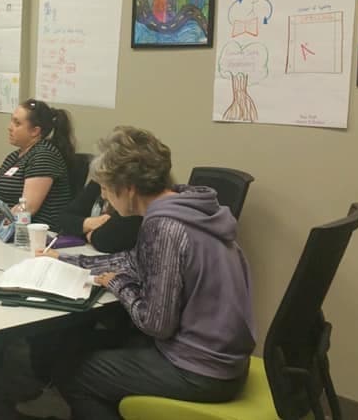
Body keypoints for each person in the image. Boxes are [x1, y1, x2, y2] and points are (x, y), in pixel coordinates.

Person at [36, 126, 256, 419]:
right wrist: (66, 260)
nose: (106, 199)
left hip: (200, 370)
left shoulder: (163, 226)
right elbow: (132, 260)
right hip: (227, 359)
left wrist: (119, 284)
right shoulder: (192, 208)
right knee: (79, 346)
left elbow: (155, 323)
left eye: (106, 189)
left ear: (127, 188)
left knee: (75, 373)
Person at [0, 98, 74, 230]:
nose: (9, 127)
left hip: (31, 234)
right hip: (0, 226)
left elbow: (27, 208)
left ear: (35, 131)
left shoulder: (44, 155)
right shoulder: (15, 156)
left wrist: (0, 226)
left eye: (17, 123)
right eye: (12, 120)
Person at [57, 179, 142, 254]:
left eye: (105, 188)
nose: (103, 195)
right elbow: (64, 218)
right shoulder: (98, 180)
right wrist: (90, 223)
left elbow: (105, 240)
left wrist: (87, 232)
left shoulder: (130, 202)